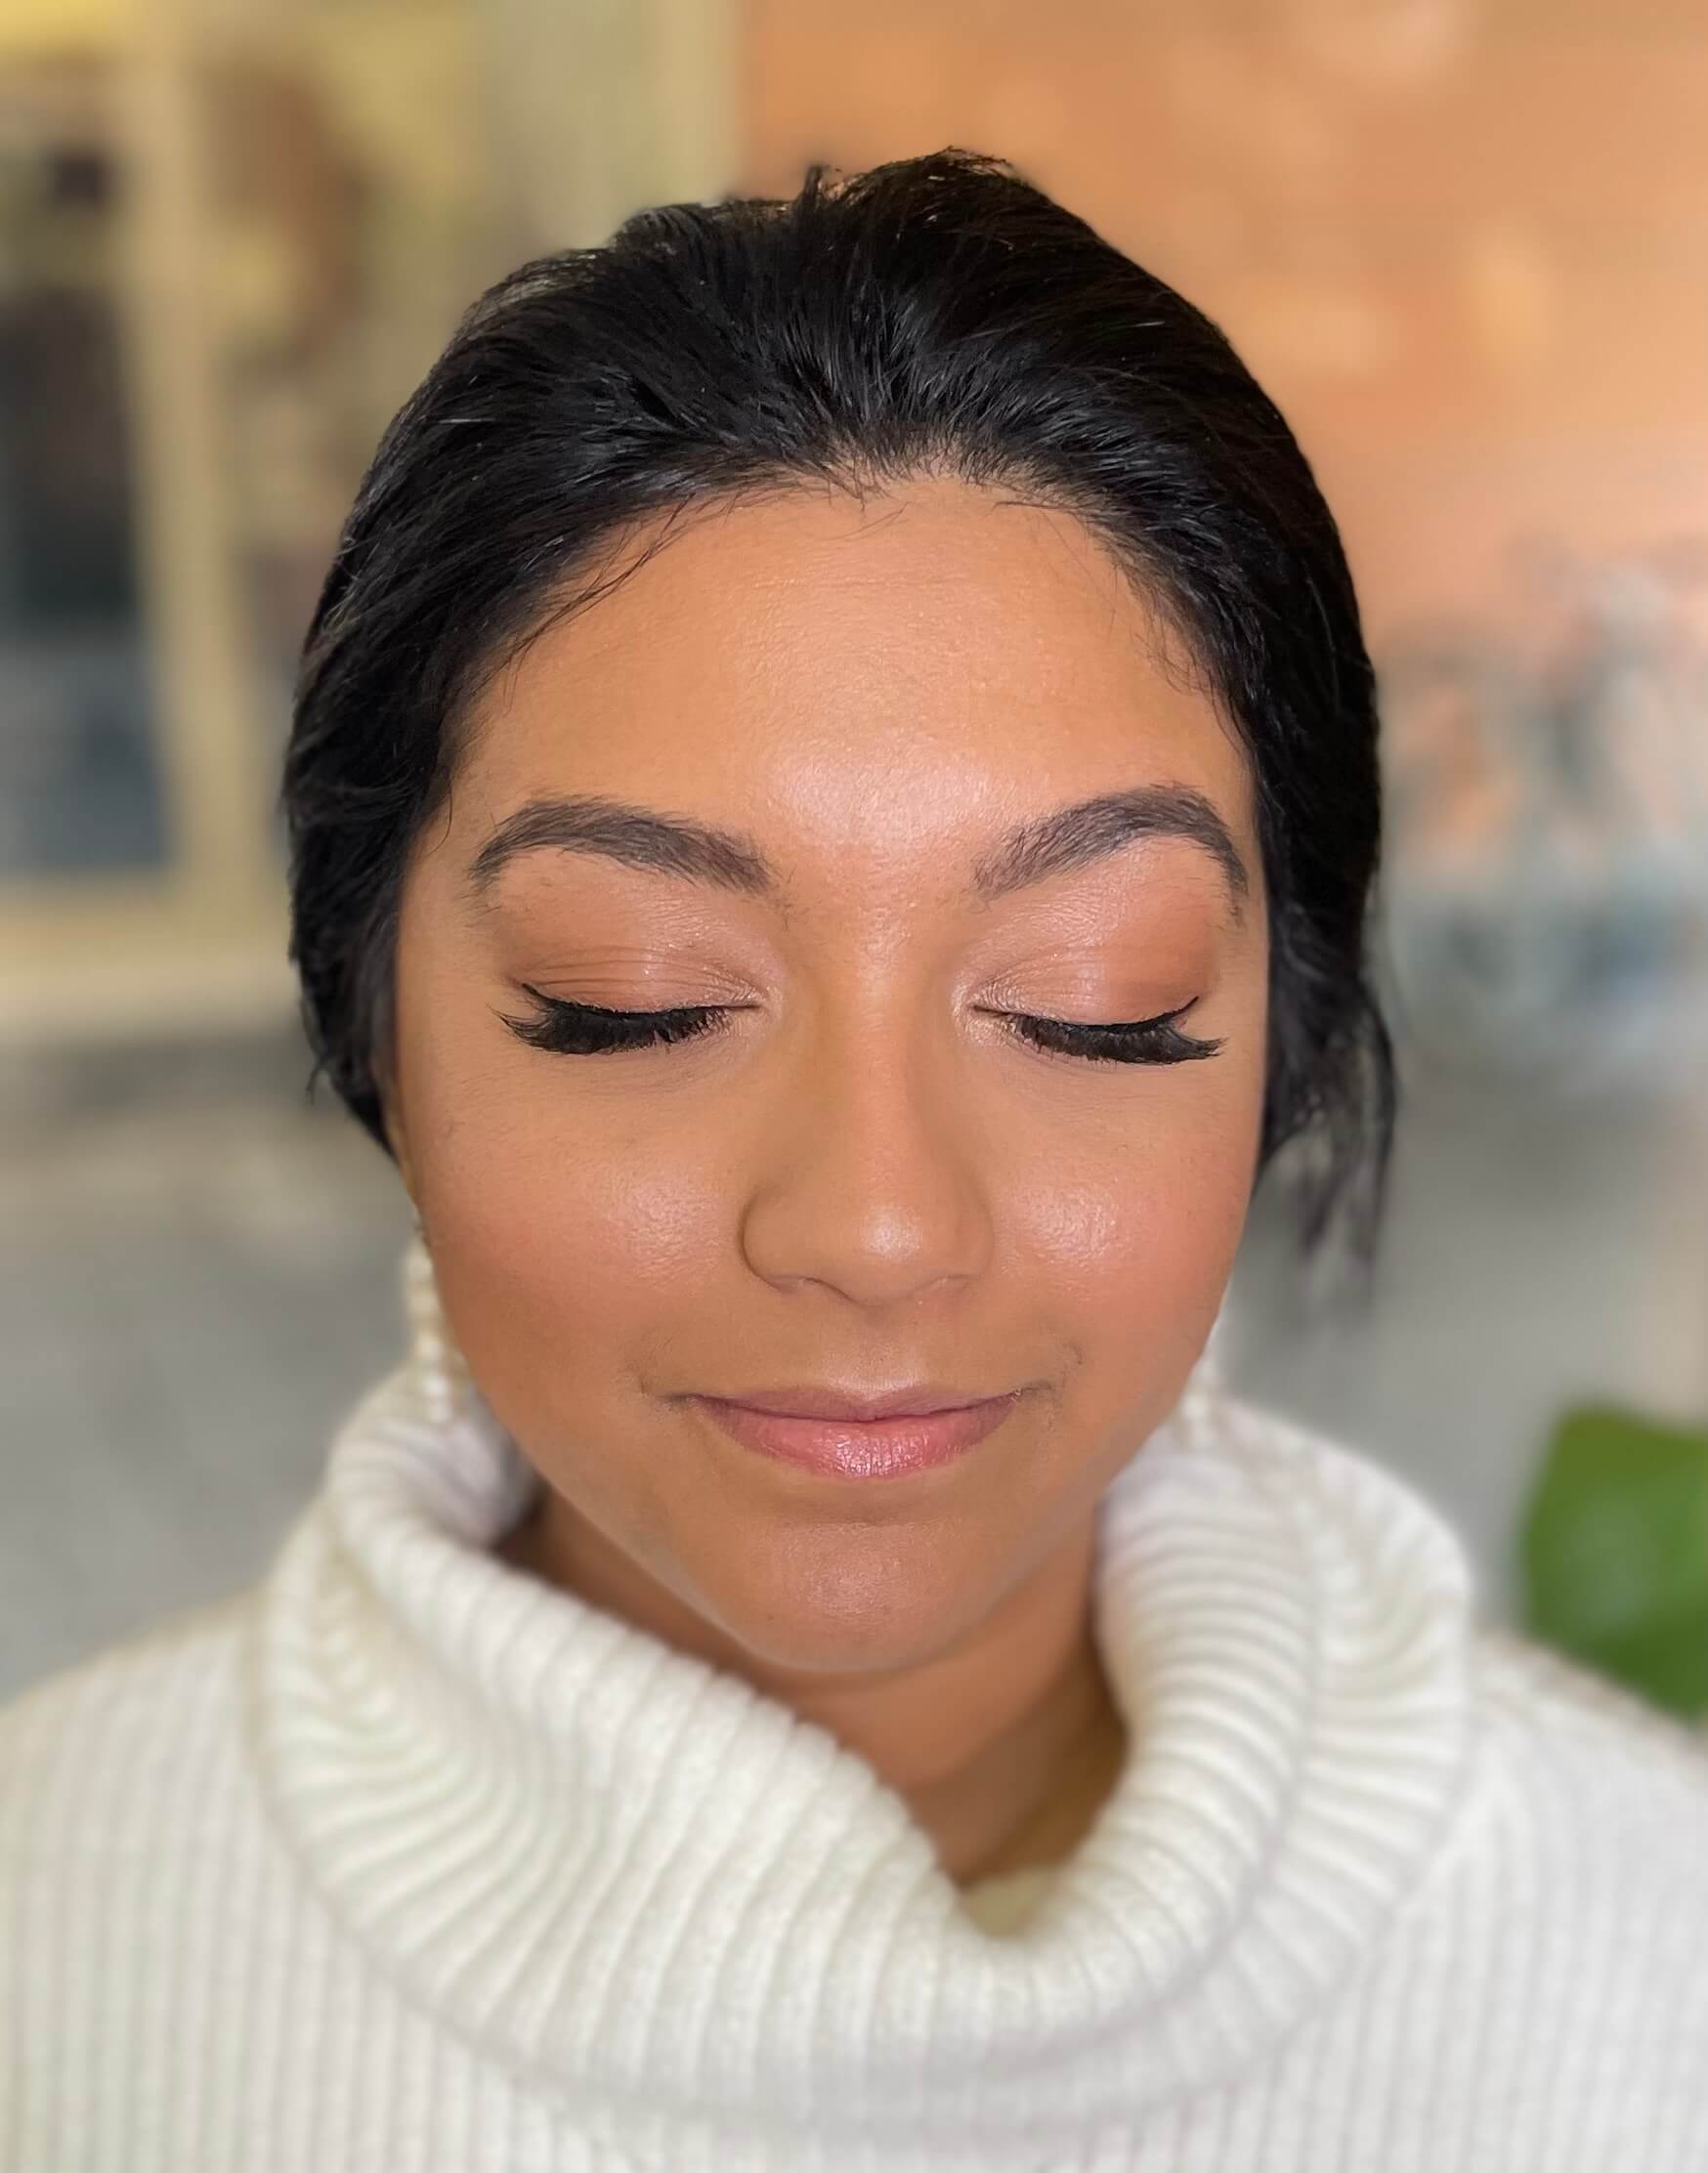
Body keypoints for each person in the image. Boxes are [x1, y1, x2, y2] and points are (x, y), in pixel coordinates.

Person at [3, 148, 1705, 2173]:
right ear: (371, 1017)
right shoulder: (59, 1934)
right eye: (632, 996)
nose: (878, 1225)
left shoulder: (1644, 1953)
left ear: (1288, 1037)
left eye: (1095, 995)